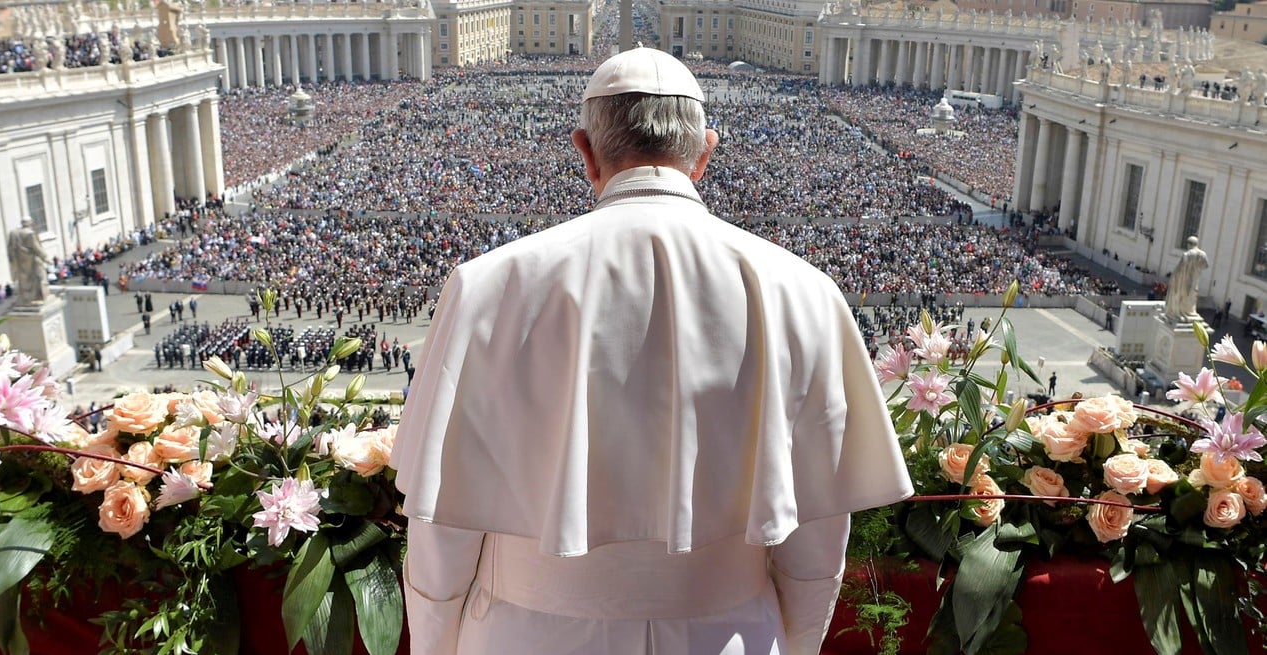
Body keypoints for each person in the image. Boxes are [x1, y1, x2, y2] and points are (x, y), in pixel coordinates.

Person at [391, 47, 913, 655]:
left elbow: (443, 529)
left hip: (525, 634)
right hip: (731, 635)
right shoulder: (804, 290)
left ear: (585, 152)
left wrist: (433, 645)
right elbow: (816, 543)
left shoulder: (487, 285)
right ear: (704, 155)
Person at [1165, 236, 1209, 321]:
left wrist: (1172, 279)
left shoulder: (1187, 254)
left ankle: (1182, 312)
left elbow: (1178, 269)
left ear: (1189, 244)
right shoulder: (1203, 254)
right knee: (1192, 296)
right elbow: (1206, 265)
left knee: (1183, 296)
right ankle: (1190, 312)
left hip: (1185, 280)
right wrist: (1197, 268)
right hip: (1195, 280)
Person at [7, 218, 49, 305]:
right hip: (32, 260)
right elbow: (36, 247)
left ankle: (26, 297)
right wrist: (45, 257)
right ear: (30, 223)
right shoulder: (29, 233)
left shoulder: (15, 233)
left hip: (21, 260)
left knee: (24, 279)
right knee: (37, 277)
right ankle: (36, 296)